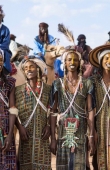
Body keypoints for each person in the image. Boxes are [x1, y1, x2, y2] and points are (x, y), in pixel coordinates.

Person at [49, 45, 96, 170]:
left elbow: (90, 110)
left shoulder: (87, 83)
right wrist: (53, 138)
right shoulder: (57, 84)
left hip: (80, 130)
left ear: (79, 63)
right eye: (69, 59)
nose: (72, 62)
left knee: (79, 164)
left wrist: (91, 135)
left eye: (75, 60)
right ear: (64, 62)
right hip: (63, 131)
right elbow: (53, 111)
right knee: (63, 164)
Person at [15, 56, 51, 169]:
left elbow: (53, 110)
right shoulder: (18, 90)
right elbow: (13, 111)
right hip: (26, 134)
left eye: (31, 67)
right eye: (25, 68)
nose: (28, 70)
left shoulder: (48, 89)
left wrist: (49, 126)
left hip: (42, 134)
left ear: (38, 69)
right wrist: (20, 127)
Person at [89, 40, 110, 169]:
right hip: (100, 125)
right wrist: (92, 132)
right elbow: (90, 108)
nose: (109, 61)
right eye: (107, 58)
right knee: (99, 161)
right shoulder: (93, 81)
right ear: (101, 61)